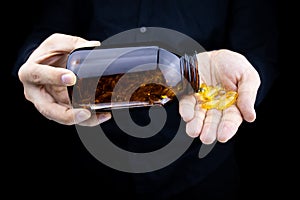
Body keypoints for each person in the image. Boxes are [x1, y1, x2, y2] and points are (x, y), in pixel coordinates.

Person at [13, 0, 278, 199]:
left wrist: (244, 80)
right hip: (93, 171)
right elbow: (45, 35)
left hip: (197, 174)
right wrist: (42, 66)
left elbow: (260, 49)